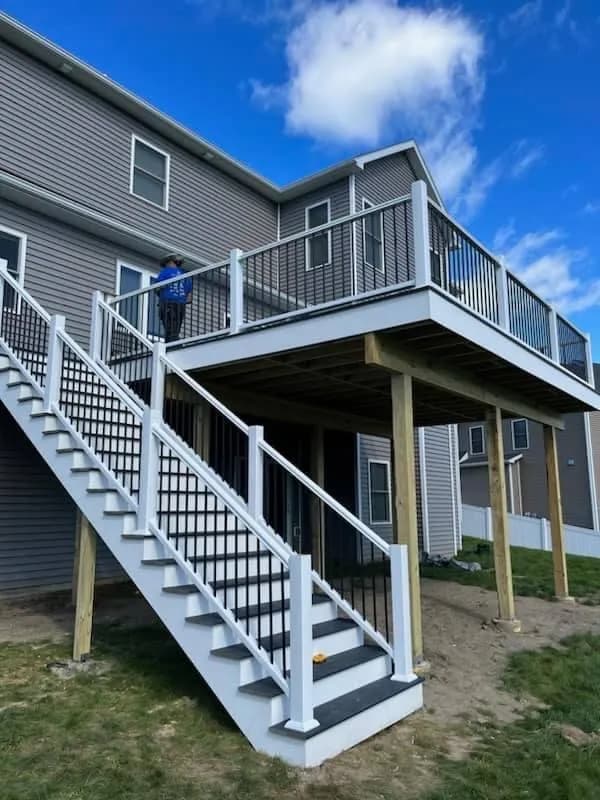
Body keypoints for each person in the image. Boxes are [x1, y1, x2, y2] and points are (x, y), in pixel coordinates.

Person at [155, 254, 192, 343]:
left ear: (170, 262)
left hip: (168, 303)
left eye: (166, 264)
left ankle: (169, 347)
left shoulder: (165, 272)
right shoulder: (185, 276)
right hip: (180, 305)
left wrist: (162, 296)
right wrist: (180, 299)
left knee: (169, 328)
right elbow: (189, 298)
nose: (165, 266)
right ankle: (174, 344)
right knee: (175, 329)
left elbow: (157, 288)